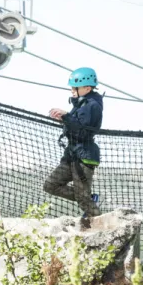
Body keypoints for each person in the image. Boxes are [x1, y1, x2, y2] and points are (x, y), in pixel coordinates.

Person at [43, 67, 104, 228]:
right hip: (72, 155)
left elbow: (83, 131)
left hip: (84, 157)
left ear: (87, 88)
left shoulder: (92, 105)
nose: (72, 91)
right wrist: (65, 119)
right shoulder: (82, 103)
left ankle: (101, 227)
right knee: (50, 185)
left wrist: (66, 116)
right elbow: (76, 126)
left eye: (74, 88)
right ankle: (88, 197)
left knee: (83, 199)